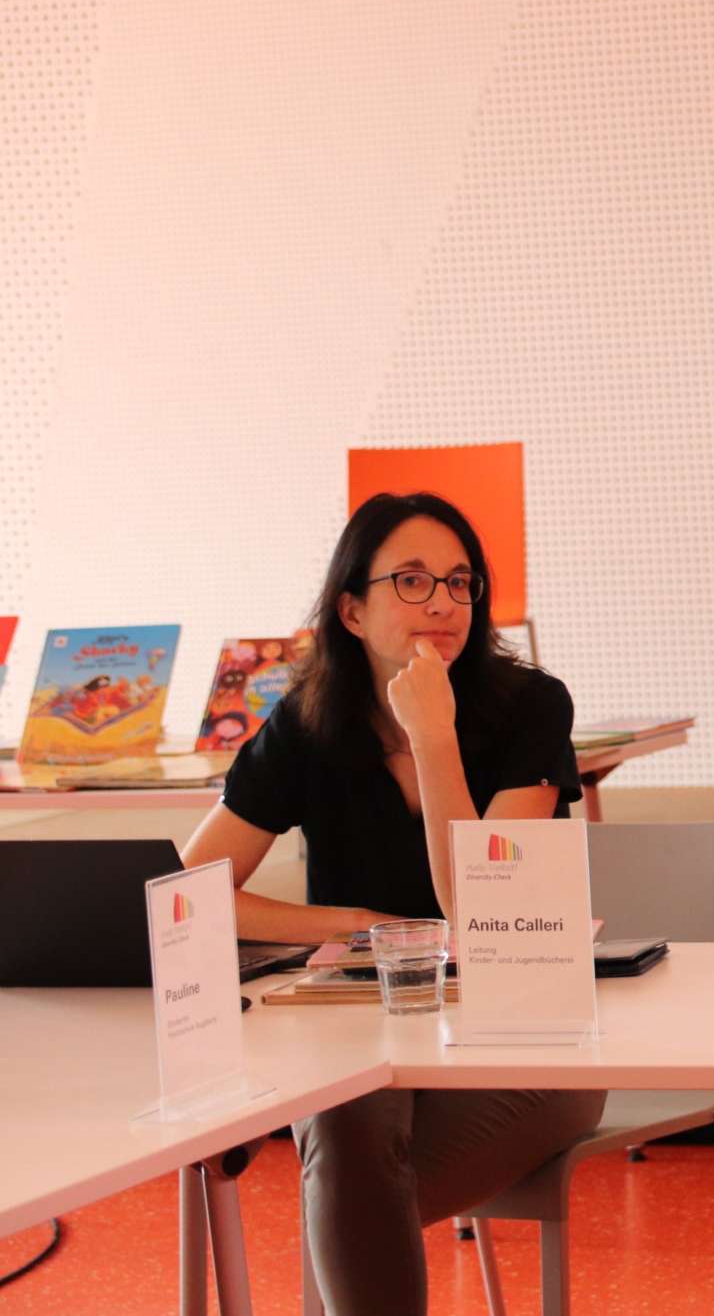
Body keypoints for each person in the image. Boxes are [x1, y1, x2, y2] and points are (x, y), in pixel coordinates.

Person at [181, 492, 605, 1315]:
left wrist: (433, 736)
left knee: (348, 1181)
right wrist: (350, 925)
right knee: (349, 1124)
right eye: (411, 580)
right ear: (351, 607)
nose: (443, 601)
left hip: (525, 1039)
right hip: (363, 1033)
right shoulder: (307, 724)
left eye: (459, 581)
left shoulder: (532, 706)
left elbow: (483, 911)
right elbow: (191, 895)